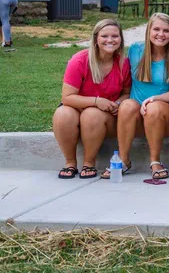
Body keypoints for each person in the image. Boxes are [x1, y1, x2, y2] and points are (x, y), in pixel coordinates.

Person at [102, 13, 169, 180]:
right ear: (148, 30)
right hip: (136, 115)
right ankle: (123, 160)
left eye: (166, 30)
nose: (161, 34)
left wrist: (155, 99)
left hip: (164, 113)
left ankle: (155, 161)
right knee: (128, 105)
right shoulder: (136, 50)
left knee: (153, 108)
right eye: (156, 29)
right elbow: (122, 79)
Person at [53, 19, 131, 179]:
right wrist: (96, 101)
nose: (110, 40)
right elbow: (67, 97)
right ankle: (70, 163)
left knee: (92, 115)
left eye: (115, 36)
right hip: (77, 107)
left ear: (121, 39)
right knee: (62, 114)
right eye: (105, 36)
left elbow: (127, 93)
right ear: (96, 39)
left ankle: (89, 162)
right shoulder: (80, 60)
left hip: (105, 116)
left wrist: (117, 103)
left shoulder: (123, 63)